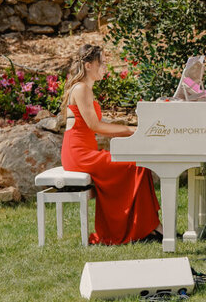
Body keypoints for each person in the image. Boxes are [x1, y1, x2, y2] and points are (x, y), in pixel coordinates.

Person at [60, 44, 162, 245]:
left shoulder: (85, 88)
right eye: (102, 63)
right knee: (137, 165)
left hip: (85, 152)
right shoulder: (81, 89)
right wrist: (130, 130)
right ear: (89, 66)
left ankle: (148, 226)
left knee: (138, 165)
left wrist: (129, 129)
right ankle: (148, 228)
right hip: (79, 155)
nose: (105, 67)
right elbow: (95, 126)